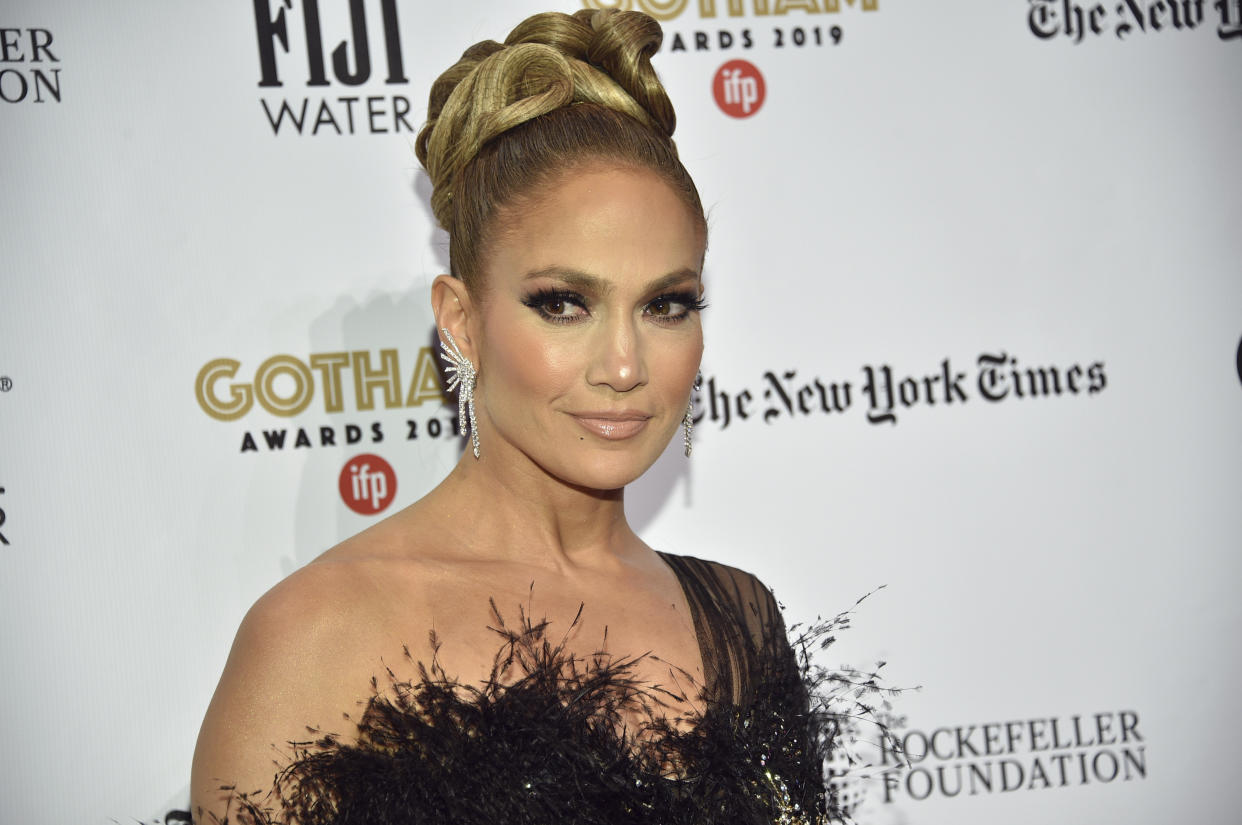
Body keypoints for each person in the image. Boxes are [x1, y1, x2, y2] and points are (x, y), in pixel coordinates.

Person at [191, 9, 833, 823]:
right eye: (564, 304)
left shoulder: (742, 622)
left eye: (667, 304)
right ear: (461, 321)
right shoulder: (318, 634)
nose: (626, 366)